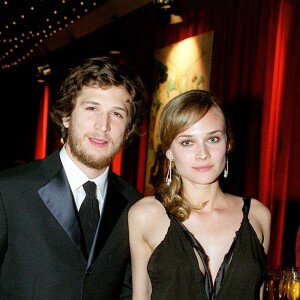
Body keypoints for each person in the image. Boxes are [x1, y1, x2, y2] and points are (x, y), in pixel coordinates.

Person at [0, 56, 148, 299]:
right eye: (92, 108)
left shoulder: (135, 206)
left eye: (117, 114)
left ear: (128, 129)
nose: (103, 126)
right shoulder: (9, 192)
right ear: (66, 116)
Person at [128, 89, 271, 300]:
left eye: (213, 139)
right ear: (169, 151)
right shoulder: (146, 215)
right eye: (187, 142)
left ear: (228, 143)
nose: (202, 154)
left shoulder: (257, 215)